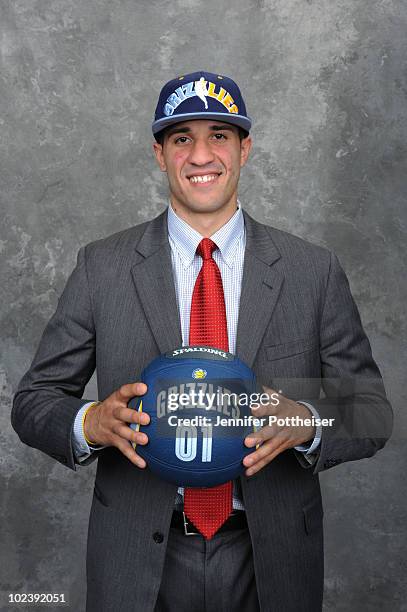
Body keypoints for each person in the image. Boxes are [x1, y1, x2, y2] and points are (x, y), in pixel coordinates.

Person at [12, 71, 393, 612]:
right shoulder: (103, 266)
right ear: (159, 154)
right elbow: (33, 402)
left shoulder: (312, 270)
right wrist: (88, 422)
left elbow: (371, 411)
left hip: (271, 554)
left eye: (219, 134)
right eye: (182, 138)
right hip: (138, 553)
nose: (201, 154)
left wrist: (308, 419)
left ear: (245, 149)